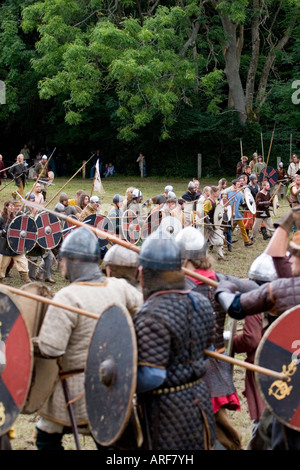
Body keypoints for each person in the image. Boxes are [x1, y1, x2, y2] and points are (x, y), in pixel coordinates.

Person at [34, 227, 143, 450]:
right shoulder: (118, 286)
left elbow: (51, 348)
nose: (61, 265)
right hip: (115, 383)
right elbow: (144, 311)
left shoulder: (67, 297)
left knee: (46, 435)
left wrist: (31, 342)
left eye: (63, 260)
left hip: (76, 387)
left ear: (72, 261)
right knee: (108, 436)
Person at [214, 207, 300, 450]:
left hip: (290, 386)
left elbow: (236, 308)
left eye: (294, 254)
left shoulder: (281, 290)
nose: (289, 258)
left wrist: (224, 289)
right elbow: (276, 255)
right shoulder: (288, 284)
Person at [175, 226, 258, 450]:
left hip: (192, 368)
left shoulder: (180, 287)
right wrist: (230, 287)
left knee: (204, 431)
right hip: (217, 361)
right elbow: (254, 288)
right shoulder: (220, 279)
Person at [133, 231, 216, 450]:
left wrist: (118, 373)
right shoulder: (202, 301)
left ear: (144, 273)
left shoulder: (150, 314)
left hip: (166, 410)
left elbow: (152, 376)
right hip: (200, 399)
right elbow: (207, 352)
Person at [0, 200, 31, 283]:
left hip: (16, 246)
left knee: (23, 263)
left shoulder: (18, 216)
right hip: (5, 247)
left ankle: (27, 281)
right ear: (6, 207)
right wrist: (1, 232)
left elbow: (25, 226)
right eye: (10, 206)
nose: (12, 208)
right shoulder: (1, 218)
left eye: (13, 206)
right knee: (2, 267)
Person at [226, 179, 253, 247]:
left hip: (237, 213)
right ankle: (226, 241)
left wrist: (248, 204)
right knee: (229, 228)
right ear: (233, 185)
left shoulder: (240, 193)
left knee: (242, 227)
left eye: (239, 184)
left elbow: (242, 203)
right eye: (237, 184)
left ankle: (246, 241)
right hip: (229, 213)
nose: (239, 186)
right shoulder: (228, 192)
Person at [202, 186, 226, 260]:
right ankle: (204, 256)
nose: (219, 193)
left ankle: (220, 256)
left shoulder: (215, 201)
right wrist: (208, 223)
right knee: (204, 241)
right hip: (207, 224)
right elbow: (204, 213)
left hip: (215, 224)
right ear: (214, 193)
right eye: (217, 192)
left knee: (219, 239)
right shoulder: (207, 202)